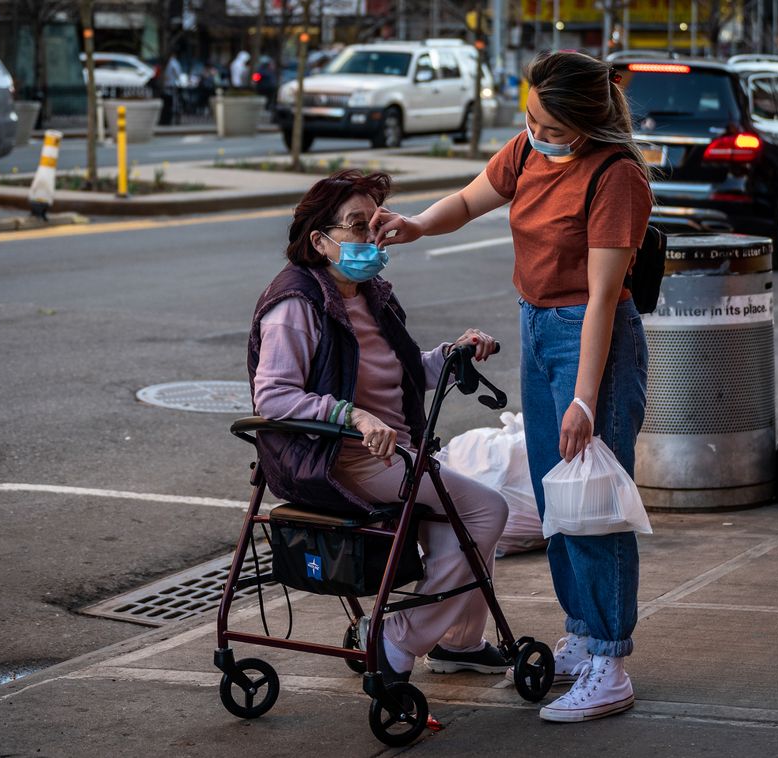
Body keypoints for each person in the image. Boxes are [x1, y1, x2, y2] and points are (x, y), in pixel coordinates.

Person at [370, 50, 652, 723]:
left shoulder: (617, 178)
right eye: (530, 122)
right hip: (537, 326)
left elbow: (604, 299)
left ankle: (610, 665)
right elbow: (470, 200)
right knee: (558, 497)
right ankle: (582, 638)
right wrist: (414, 225)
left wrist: (586, 398)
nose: (536, 136)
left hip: (591, 337)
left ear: (586, 126)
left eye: (550, 129)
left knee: (594, 501)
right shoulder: (528, 151)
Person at [248, 169, 511, 684]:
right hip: (341, 462)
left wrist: (452, 355)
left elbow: (402, 375)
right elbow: (273, 397)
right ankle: (395, 637)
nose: (372, 237)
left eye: (375, 224)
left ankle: (459, 642)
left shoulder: (368, 294)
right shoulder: (296, 303)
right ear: (320, 241)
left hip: (392, 454)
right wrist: (353, 417)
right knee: (485, 512)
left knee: (457, 521)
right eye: (356, 226)